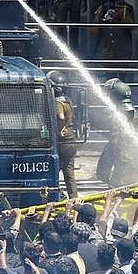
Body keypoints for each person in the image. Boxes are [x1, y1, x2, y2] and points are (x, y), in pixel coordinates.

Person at [48, 71, 79, 199]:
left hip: (62, 143)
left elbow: (60, 117)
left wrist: (60, 129)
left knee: (52, 172)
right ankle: (74, 198)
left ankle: (54, 196)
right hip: (71, 142)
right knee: (69, 172)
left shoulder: (58, 103)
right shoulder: (68, 101)